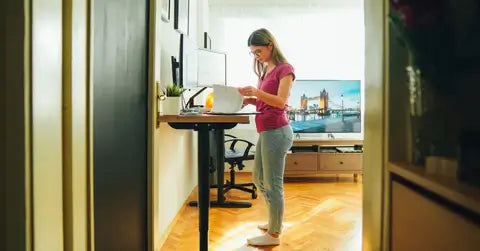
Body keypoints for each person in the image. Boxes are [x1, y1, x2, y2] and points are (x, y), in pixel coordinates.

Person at [238, 28, 295, 246]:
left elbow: (280, 102)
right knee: (258, 179)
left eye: (258, 51)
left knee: (273, 183)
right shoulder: (266, 70)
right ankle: (274, 220)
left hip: (277, 131)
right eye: (253, 53)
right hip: (266, 130)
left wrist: (255, 92)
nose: (256, 56)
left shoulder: (285, 69)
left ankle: (273, 235)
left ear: (270, 45)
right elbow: (266, 101)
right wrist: (249, 100)